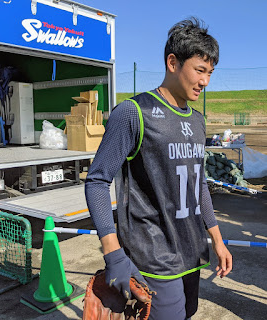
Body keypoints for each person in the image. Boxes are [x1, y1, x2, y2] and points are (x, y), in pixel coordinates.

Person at [85, 17, 232, 320]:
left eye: (211, 72)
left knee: (187, 313)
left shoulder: (197, 120)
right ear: (173, 62)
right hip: (153, 254)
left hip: (192, 252)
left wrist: (217, 240)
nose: (206, 81)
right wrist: (113, 253)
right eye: (200, 70)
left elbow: (199, 183)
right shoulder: (134, 112)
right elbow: (97, 181)